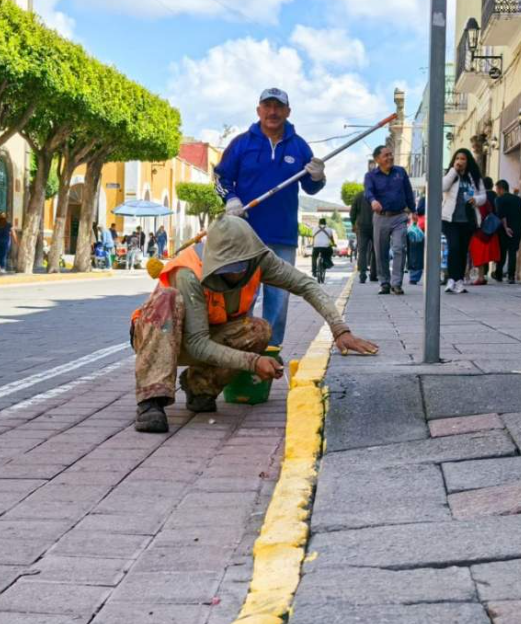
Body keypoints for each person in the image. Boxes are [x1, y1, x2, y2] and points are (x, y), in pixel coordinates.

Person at [130, 216, 378, 433]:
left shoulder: (259, 260)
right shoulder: (189, 272)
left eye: (241, 267)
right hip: (161, 337)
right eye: (229, 269)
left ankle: (200, 387)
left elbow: (306, 285)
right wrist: (252, 362)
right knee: (166, 297)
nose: (237, 274)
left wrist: (339, 329)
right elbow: (196, 343)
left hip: (206, 335)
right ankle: (151, 401)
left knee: (258, 330)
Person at [214, 88, 326, 347]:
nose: (273, 112)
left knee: (279, 300)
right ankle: (239, 351)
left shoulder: (299, 146)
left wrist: (318, 176)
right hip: (245, 236)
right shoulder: (241, 143)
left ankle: (270, 351)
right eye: (267, 106)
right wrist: (230, 199)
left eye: (278, 107)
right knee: (242, 298)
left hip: (283, 236)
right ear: (259, 110)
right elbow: (220, 178)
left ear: (288, 111)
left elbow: (311, 188)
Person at [365, 145, 416, 295]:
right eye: (386, 155)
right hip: (381, 217)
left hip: (399, 216)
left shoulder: (400, 172)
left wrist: (413, 210)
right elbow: (368, 191)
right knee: (381, 252)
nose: (390, 157)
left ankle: (397, 283)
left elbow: (408, 192)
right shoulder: (371, 176)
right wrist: (373, 201)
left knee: (399, 248)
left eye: (390, 154)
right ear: (377, 159)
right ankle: (384, 283)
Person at [442, 148, 486, 294]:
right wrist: (454, 171)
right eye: (457, 158)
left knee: (462, 250)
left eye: (463, 159)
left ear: (468, 161)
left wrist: (476, 199)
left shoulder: (474, 177)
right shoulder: (451, 174)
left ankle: (459, 280)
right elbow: (443, 187)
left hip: (467, 220)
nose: (460, 161)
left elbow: (483, 196)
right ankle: (451, 279)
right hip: (450, 219)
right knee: (453, 247)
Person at [493, 179, 521, 283]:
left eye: (497, 189)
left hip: (503, 230)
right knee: (512, 252)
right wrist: (518, 227)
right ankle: (511, 276)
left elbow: (501, 215)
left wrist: (506, 227)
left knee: (502, 253)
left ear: (500, 189)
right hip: (516, 230)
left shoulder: (499, 200)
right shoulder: (518, 199)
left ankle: (498, 274)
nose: (497, 192)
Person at [469, 176, 501, 285]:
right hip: (488, 230)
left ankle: (480, 276)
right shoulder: (492, 197)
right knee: (482, 254)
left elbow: (479, 215)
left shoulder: (480, 199)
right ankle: (482, 276)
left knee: (478, 254)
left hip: (480, 231)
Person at [350, 186, 378, 284]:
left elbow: (352, 212)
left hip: (361, 227)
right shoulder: (377, 195)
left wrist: (353, 224)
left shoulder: (359, 196)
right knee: (376, 251)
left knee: (362, 251)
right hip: (376, 226)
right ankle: (374, 275)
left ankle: (362, 276)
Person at [406, 212, 425, 285]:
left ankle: (413, 277)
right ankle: (414, 277)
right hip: (417, 241)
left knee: (413, 256)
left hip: (414, 240)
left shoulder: (412, 228)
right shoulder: (416, 228)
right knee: (416, 256)